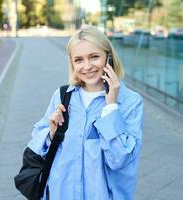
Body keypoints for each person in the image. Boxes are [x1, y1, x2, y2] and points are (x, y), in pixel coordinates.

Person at [27, 25, 143, 200]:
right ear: (72, 63)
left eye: (94, 57)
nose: (87, 66)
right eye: (78, 60)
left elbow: (120, 160)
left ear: (109, 58)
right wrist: (51, 134)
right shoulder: (62, 96)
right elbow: (36, 143)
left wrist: (111, 107)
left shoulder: (130, 102)